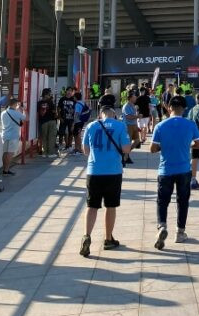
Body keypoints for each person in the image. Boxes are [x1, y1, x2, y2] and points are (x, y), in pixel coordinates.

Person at [151, 96, 199, 248]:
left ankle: (162, 226)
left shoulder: (160, 126)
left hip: (165, 170)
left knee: (162, 201)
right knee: (183, 201)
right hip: (184, 169)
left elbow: (153, 149)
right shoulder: (190, 124)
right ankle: (180, 232)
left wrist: (164, 146)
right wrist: (188, 144)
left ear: (169, 107)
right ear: (185, 108)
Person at [79, 106, 131, 257]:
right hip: (113, 171)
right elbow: (126, 148)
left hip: (94, 171)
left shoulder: (91, 125)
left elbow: (85, 150)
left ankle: (86, 236)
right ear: (114, 114)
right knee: (110, 206)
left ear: (101, 113)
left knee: (92, 206)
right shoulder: (120, 125)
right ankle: (108, 239)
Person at [0, 99, 27, 176]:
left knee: (5, 153)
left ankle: (4, 169)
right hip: (13, 136)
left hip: (5, 135)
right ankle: (6, 170)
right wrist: (24, 109)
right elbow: (26, 118)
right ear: (15, 104)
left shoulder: (3, 113)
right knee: (10, 154)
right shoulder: (16, 113)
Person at [121, 91, 141, 164]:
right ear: (130, 98)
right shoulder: (126, 106)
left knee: (137, 141)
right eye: (134, 97)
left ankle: (126, 154)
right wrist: (137, 116)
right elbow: (128, 116)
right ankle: (126, 156)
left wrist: (137, 113)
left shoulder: (133, 105)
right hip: (128, 126)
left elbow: (134, 116)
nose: (135, 98)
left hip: (134, 125)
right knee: (128, 142)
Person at [37, 88, 58, 158]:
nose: (50, 95)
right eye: (49, 94)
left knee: (44, 138)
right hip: (51, 121)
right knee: (51, 137)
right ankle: (50, 153)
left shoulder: (39, 103)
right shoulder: (51, 102)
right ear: (46, 94)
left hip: (43, 122)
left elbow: (38, 113)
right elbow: (54, 112)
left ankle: (45, 153)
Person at [57, 87, 76, 152]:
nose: (69, 92)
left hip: (71, 119)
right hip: (63, 118)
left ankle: (69, 145)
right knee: (61, 132)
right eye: (68, 90)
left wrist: (74, 119)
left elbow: (76, 109)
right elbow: (58, 108)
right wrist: (59, 117)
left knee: (71, 133)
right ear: (66, 91)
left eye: (71, 91)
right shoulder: (62, 99)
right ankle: (60, 145)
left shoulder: (73, 99)